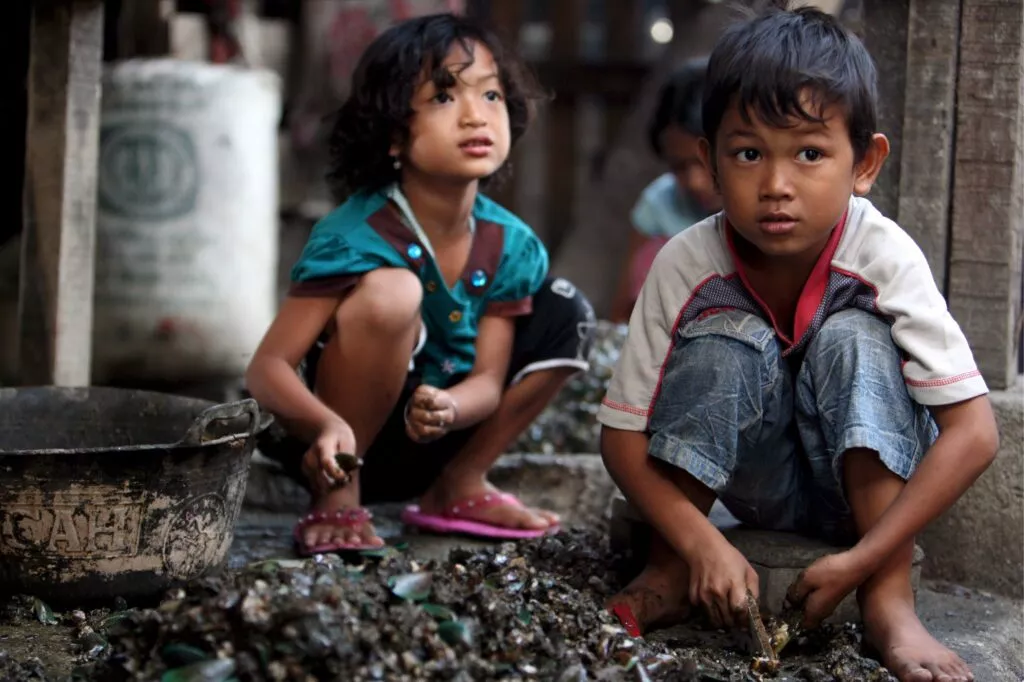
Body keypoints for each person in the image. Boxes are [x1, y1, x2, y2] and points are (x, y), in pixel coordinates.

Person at [597, 6, 998, 682]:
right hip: (752, 478)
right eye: (749, 153)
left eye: (810, 153)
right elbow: (620, 437)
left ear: (864, 162)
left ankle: (891, 604)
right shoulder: (686, 261)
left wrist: (865, 559)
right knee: (729, 341)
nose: (777, 186)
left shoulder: (884, 255)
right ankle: (668, 566)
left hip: (864, 492)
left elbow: (975, 432)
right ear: (711, 163)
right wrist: (702, 545)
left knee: (851, 337)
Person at [246, 13, 595, 556]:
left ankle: (458, 485)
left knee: (567, 310)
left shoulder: (511, 244)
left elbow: (487, 380)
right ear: (393, 135)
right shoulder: (353, 235)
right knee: (393, 291)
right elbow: (266, 369)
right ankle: (338, 498)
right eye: (443, 98)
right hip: (336, 441)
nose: (476, 116)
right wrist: (324, 424)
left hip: (435, 436)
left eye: (492, 96)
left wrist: (450, 407)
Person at [609, 58, 721, 323]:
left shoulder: (769, 208)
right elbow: (624, 315)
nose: (694, 181)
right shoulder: (660, 205)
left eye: (707, 162)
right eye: (679, 167)